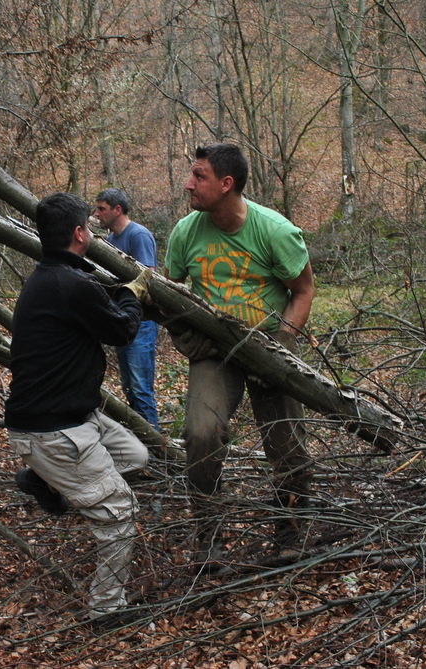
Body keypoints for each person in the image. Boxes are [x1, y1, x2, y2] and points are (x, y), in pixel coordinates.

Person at [164, 143, 315, 566]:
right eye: (191, 174)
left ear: (226, 184)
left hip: (269, 344)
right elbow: (167, 293)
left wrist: (282, 346)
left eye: (199, 176)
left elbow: (303, 291)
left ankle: (291, 533)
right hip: (215, 351)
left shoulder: (274, 231)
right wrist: (184, 334)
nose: (189, 184)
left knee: (287, 444)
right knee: (201, 434)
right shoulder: (185, 232)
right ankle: (209, 538)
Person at [4, 192, 152, 619]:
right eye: (89, 223)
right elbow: (123, 329)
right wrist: (133, 292)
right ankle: (106, 611)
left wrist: (116, 290)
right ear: (79, 234)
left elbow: (88, 290)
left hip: (73, 417)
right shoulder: (68, 285)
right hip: (53, 430)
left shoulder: (53, 276)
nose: (92, 229)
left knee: (136, 455)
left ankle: (45, 479)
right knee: (120, 514)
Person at [93, 188, 160, 432]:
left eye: (102, 209)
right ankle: (140, 447)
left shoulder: (138, 235)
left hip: (141, 324)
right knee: (130, 387)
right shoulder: (110, 241)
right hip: (122, 321)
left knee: (141, 388)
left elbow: (148, 277)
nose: (97, 214)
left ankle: (156, 453)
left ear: (117, 210)